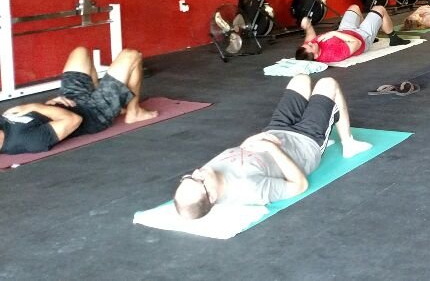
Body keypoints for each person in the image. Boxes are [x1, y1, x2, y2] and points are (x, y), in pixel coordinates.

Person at [173, 75, 371, 219]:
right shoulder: (250, 190)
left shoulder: (207, 174)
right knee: (328, 83)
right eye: (198, 180)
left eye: (189, 176)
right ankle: (349, 144)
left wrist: (255, 140)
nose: (197, 172)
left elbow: (239, 154)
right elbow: (299, 185)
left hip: (276, 130)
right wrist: (272, 149)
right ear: (212, 196)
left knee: (300, 80)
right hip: (305, 145)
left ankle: (323, 124)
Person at [0, 46, 158, 155]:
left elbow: (38, 115)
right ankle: (134, 112)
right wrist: (37, 106)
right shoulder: (28, 141)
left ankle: (112, 100)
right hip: (94, 114)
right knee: (131, 55)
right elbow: (73, 120)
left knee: (80, 52)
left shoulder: (2, 124)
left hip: (69, 100)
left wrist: (48, 105)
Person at [295, 4, 408, 63]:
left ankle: (371, 31)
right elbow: (357, 43)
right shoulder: (333, 54)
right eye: (310, 46)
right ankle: (394, 38)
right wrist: (334, 33)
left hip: (346, 29)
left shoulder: (311, 47)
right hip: (362, 37)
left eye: (308, 44)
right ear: (315, 56)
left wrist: (307, 26)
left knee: (354, 7)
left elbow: (310, 36)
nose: (311, 43)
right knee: (380, 9)